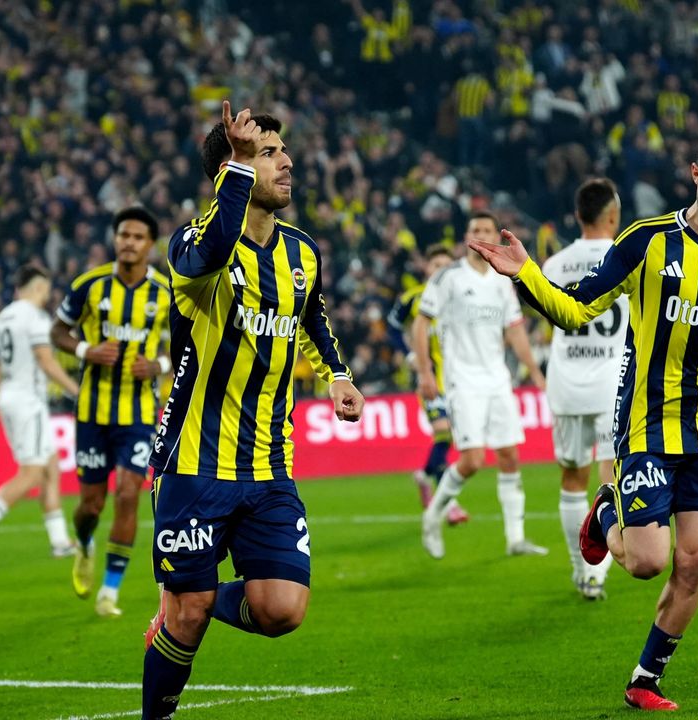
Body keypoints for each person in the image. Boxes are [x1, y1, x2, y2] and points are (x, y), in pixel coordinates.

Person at [469, 129, 698, 710]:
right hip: (649, 421)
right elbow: (576, 309)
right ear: (695, 174)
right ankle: (605, 511)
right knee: (647, 562)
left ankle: (645, 678)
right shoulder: (646, 241)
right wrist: (525, 275)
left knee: (696, 560)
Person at [141, 101, 364, 720]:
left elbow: (311, 315)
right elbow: (212, 251)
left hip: (269, 463)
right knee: (186, 619)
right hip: (194, 462)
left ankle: (191, 597)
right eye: (268, 153)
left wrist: (337, 375)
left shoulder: (302, 252)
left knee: (281, 609)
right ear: (232, 169)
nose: (286, 162)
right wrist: (237, 168)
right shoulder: (195, 245)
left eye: (282, 150)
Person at [50, 207, 171, 617]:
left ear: (150, 244)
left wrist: (159, 365)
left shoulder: (166, 293)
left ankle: (109, 591)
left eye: (137, 237)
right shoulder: (90, 285)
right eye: (123, 235)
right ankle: (84, 543)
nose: (129, 242)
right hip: (92, 412)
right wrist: (86, 350)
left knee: (128, 494)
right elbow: (58, 331)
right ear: (115, 239)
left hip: (139, 413)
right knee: (91, 505)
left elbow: (186, 346)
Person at [414, 212, 548, 560]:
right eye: (476, 230)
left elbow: (515, 330)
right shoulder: (448, 277)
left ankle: (516, 538)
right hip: (463, 380)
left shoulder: (503, 279)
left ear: (496, 236)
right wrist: (426, 373)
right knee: (472, 460)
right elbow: (421, 322)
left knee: (509, 455)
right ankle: (433, 515)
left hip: (497, 379)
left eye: (487, 230)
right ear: (467, 236)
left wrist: (535, 372)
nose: (481, 234)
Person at [541, 178, 627, 600]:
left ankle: (581, 571)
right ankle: (598, 573)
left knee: (572, 478)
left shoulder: (554, 265)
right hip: (612, 386)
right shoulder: (627, 256)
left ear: (577, 215)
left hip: (566, 385)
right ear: (613, 215)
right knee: (612, 479)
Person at [0, 265, 82, 563]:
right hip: (29, 400)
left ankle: (59, 541)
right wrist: (78, 391)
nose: (47, 296)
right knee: (31, 473)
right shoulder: (35, 318)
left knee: (50, 466)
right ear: (39, 288)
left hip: (9, 398)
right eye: (46, 290)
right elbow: (47, 362)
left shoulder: (1, 320)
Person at [387, 243, 468, 524]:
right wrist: (410, 355)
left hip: (459, 379)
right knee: (443, 433)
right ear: (426, 268)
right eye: (436, 265)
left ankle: (425, 476)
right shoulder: (414, 298)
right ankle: (449, 504)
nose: (440, 271)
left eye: (446, 266)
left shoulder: (462, 297)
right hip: (429, 379)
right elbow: (392, 326)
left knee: (452, 439)